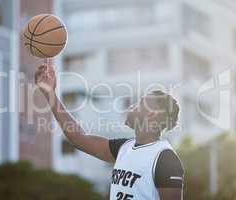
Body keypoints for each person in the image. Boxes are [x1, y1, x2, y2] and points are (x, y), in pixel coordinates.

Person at [35, 60, 184, 200]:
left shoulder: (165, 158)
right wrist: (50, 93)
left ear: (152, 113)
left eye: (140, 103)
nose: (131, 106)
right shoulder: (124, 148)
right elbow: (78, 138)